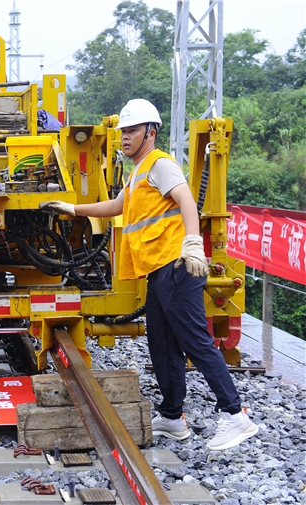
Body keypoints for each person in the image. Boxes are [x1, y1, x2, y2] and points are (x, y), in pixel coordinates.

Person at [40, 99, 258, 451]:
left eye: (131, 131)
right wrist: (73, 208)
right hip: (158, 272)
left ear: (150, 132)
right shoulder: (138, 171)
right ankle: (172, 417)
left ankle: (235, 415)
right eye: (122, 131)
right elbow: (117, 206)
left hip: (177, 266)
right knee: (162, 343)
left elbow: (187, 199)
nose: (124, 138)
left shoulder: (159, 164)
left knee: (194, 341)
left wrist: (192, 243)